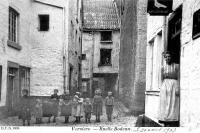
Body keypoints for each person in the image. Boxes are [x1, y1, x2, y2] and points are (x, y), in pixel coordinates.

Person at [159, 51, 180, 127]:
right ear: (164, 58)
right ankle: (165, 119)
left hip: (174, 85)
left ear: (171, 57)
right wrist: (162, 88)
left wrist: (177, 87)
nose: (168, 58)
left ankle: (172, 120)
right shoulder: (162, 67)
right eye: (166, 57)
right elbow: (161, 79)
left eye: (169, 56)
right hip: (165, 85)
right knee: (165, 102)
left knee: (173, 102)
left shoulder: (176, 66)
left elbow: (178, 77)